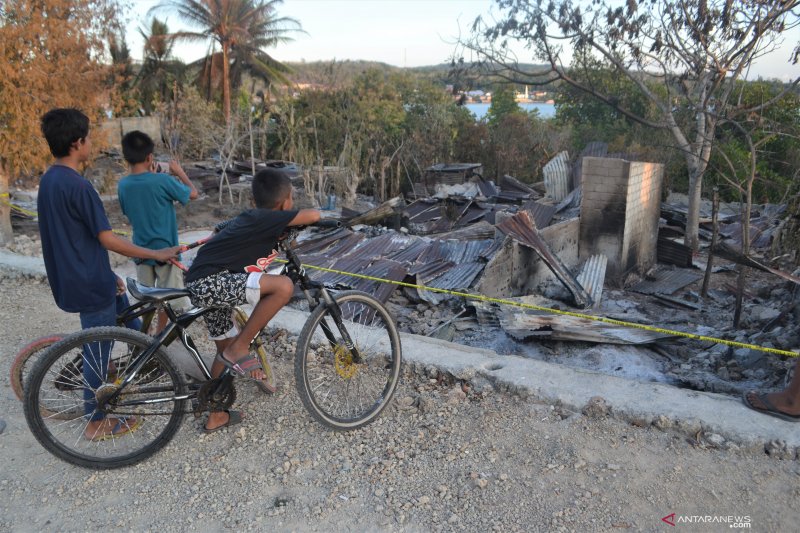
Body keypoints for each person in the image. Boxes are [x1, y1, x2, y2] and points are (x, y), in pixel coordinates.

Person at [38, 108, 180, 441]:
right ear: (77, 142)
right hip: (89, 283)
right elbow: (107, 238)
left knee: (132, 327)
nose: (90, 144)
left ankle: (134, 373)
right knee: (97, 354)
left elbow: (74, 237)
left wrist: (107, 273)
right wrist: (155, 253)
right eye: (88, 138)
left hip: (79, 277)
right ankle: (96, 420)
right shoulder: (79, 186)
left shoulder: (49, 180)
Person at [184, 168, 320, 432]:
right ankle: (241, 347)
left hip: (206, 281)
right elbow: (314, 215)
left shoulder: (253, 220)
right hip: (212, 282)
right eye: (291, 199)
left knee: (223, 352)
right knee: (283, 286)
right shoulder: (263, 218)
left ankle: (216, 413)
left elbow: (221, 228)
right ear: (285, 202)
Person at [118, 130, 198, 330]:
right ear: (150, 157)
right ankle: (160, 339)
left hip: (141, 252)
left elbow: (128, 212)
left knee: (147, 300)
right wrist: (179, 172)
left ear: (126, 158)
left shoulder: (123, 185)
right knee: (168, 300)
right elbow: (194, 194)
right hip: (167, 253)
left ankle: (143, 337)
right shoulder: (163, 181)